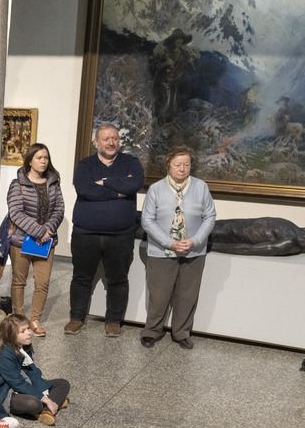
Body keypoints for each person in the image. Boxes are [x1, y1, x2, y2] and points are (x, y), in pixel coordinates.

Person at [66, 123, 143, 337]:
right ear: (96, 142)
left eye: (114, 138)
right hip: (85, 234)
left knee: (118, 279)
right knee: (81, 278)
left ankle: (113, 321)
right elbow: (84, 189)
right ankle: (76, 317)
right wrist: (117, 191)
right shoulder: (85, 165)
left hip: (120, 236)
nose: (111, 142)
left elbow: (134, 184)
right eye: (106, 139)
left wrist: (104, 182)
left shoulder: (131, 162)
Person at [140, 146, 217, 350]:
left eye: (186, 165)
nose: (182, 169)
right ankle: (152, 331)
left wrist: (195, 240)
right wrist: (170, 242)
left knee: (187, 294)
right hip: (162, 251)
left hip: (193, 251)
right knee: (159, 294)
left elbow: (210, 216)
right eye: (177, 164)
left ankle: (181, 332)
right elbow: (147, 220)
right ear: (168, 166)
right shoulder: (156, 189)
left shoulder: (201, 187)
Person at [6, 143, 65, 337]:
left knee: (43, 282)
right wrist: (39, 231)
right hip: (23, 240)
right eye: (39, 157)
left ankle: (35, 320)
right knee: (18, 281)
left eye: (46, 158)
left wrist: (48, 230)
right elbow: (16, 213)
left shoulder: (54, 182)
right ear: (30, 160)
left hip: (46, 241)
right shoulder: (18, 184)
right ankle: (18, 320)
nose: (43, 161)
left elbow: (59, 209)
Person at [0, 314, 68, 427]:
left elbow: (32, 372)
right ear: (10, 335)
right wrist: (46, 399)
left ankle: (46, 410)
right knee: (34, 404)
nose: (29, 332)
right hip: (6, 393)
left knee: (63, 384)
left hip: (24, 385)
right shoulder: (3, 354)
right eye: (23, 331)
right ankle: (51, 405)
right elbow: (17, 383)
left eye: (28, 328)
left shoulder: (24, 346)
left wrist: (44, 392)